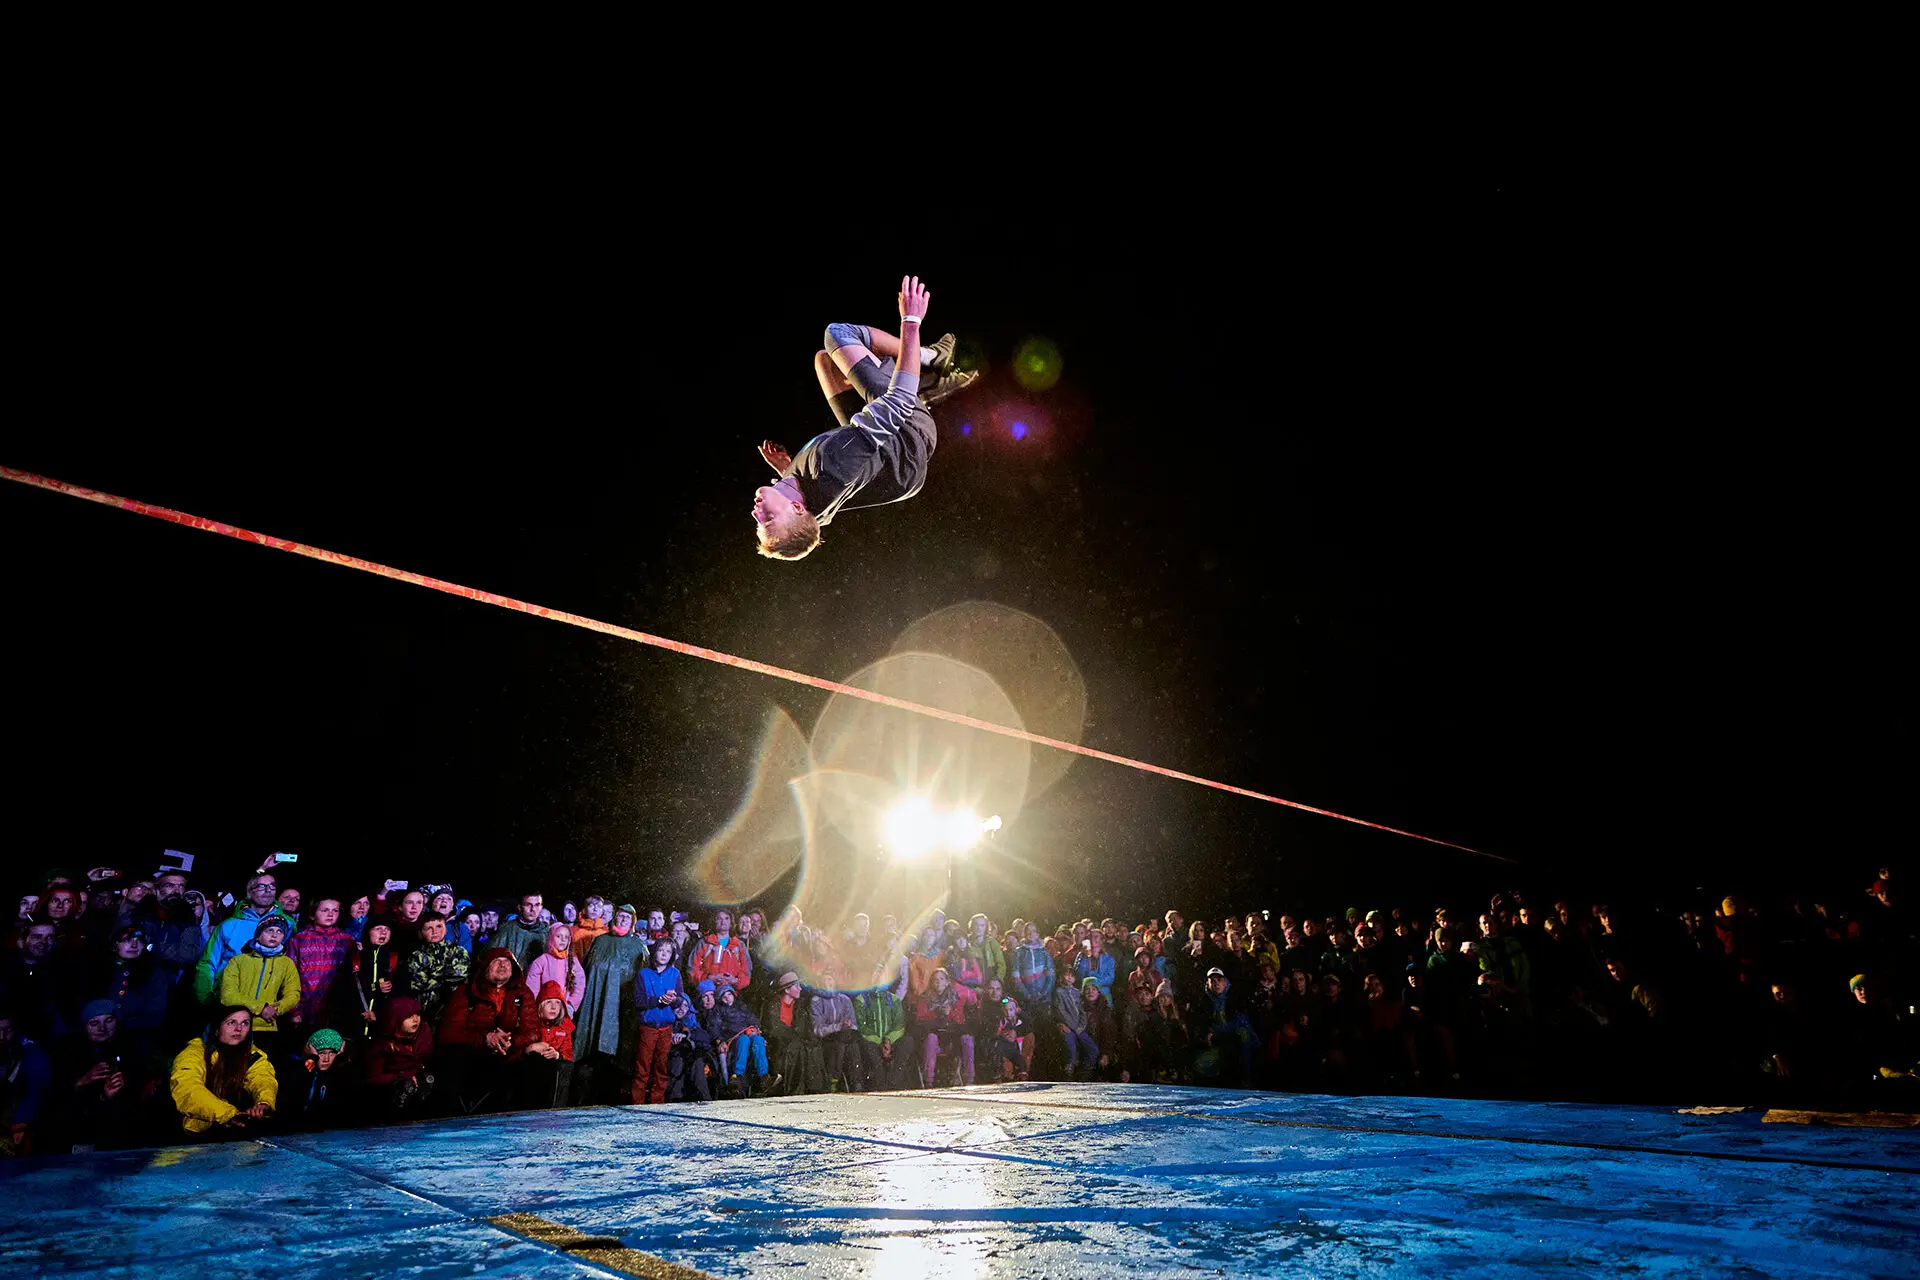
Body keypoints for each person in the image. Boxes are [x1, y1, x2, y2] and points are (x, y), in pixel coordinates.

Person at [751, 276, 975, 561]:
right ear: (796, 508)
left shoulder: (806, 505)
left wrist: (786, 470)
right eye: (767, 519)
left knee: (826, 362)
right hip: (908, 435)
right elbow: (898, 403)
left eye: (758, 523)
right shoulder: (831, 463)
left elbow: (810, 526)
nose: (756, 513)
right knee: (838, 336)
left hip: (892, 467)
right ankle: (931, 359)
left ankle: (925, 387)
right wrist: (911, 320)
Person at [435, 947, 536, 1115]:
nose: (503, 965)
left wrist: (510, 1042)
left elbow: (532, 1030)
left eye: (507, 962)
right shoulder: (465, 993)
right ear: (485, 968)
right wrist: (485, 1038)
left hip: (509, 1053)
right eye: (497, 962)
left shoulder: (523, 994)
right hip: (473, 1055)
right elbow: (449, 1034)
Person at [572, 904, 647, 1105]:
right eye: (620, 916)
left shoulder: (639, 946)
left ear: (632, 922)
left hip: (624, 1009)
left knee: (620, 1055)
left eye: (627, 918)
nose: (622, 920)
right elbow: (588, 971)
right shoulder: (600, 942)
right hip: (597, 1004)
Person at [168, 1006, 276, 1138]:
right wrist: (228, 1114)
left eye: (245, 1023)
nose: (239, 1029)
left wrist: (264, 1103)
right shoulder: (194, 1053)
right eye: (231, 1022)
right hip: (189, 1134)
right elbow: (188, 1089)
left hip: (233, 1128)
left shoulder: (251, 1054)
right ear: (217, 1029)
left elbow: (262, 1077)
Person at [217, 916, 300, 1057]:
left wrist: (275, 1010)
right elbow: (227, 995)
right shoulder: (239, 961)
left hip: (267, 1027)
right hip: (236, 1026)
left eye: (280, 931)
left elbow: (293, 994)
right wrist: (261, 1008)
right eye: (269, 930)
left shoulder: (287, 963)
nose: (275, 935)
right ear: (258, 934)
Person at [193, 872, 280, 1003]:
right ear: (250, 892)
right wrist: (206, 998)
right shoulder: (228, 925)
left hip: (266, 1003)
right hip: (227, 998)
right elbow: (208, 963)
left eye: (272, 886)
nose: (268, 890)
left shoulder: (286, 925)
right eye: (261, 886)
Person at [288, 898, 355, 1034]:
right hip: (306, 1007)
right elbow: (290, 977)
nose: (330, 914)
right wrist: (294, 1010)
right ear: (312, 914)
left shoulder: (347, 940)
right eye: (325, 910)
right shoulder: (299, 940)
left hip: (336, 1009)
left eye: (335, 910)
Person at [631, 938, 684, 1104]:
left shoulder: (675, 974)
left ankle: (657, 1103)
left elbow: (680, 999)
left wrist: (673, 1000)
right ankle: (637, 1103)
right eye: (661, 950)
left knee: (661, 1067)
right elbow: (638, 1001)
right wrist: (658, 1000)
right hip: (648, 1027)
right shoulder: (643, 974)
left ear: (672, 955)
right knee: (643, 1067)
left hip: (666, 1027)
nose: (664, 954)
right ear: (655, 951)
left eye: (668, 952)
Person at [363, 996, 436, 1116]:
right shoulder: (382, 1045)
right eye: (408, 1016)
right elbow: (372, 1079)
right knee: (406, 1086)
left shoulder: (423, 1036)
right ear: (396, 1019)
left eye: (417, 1014)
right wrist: (401, 1076)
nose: (415, 1019)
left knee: (429, 1080)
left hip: (417, 1089)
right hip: (387, 1094)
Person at [913, 966, 976, 1086]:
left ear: (947, 982)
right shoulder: (924, 999)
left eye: (942, 979)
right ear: (931, 982)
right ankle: (928, 1080)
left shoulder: (955, 999)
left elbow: (960, 1024)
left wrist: (949, 1015)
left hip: (952, 1039)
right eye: (935, 979)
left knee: (967, 1039)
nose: (938, 982)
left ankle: (969, 1079)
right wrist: (938, 1015)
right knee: (932, 1038)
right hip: (934, 1039)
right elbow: (921, 1022)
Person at [404, 912, 471, 1024]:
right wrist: (444, 975)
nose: (435, 931)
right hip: (425, 1012)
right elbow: (418, 983)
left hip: (454, 1008)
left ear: (445, 929)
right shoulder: (416, 956)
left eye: (439, 926)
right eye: (429, 928)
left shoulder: (458, 951)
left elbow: (459, 973)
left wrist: (432, 976)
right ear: (421, 932)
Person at [279, 1027, 350, 1130]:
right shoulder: (296, 1071)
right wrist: (312, 1059)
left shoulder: (339, 1076)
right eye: (321, 1053)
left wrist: (340, 1061)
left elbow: (344, 1098)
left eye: (332, 1053)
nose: (326, 1059)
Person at [762, 971, 821, 1095]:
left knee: (813, 1047)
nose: (800, 989)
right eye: (796, 986)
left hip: (795, 1040)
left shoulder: (799, 1006)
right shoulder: (773, 1004)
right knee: (795, 1047)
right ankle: (793, 1089)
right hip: (779, 1042)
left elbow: (804, 1027)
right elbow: (773, 1027)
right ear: (787, 990)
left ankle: (813, 1087)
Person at [853, 968, 910, 1092]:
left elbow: (899, 1025)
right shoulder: (861, 1000)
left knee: (907, 1042)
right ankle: (881, 1084)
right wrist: (880, 1043)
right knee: (867, 1046)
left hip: (890, 1042)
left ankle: (894, 1083)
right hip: (872, 1042)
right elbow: (862, 1026)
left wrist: (888, 1041)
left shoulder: (894, 1000)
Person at [522, 980, 575, 1109]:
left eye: (557, 1002)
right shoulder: (531, 1024)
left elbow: (568, 1055)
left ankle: (556, 1109)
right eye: (549, 1002)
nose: (553, 1007)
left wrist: (557, 1055)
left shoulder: (565, 1027)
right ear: (541, 1005)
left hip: (556, 1070)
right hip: (534, 1071)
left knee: (564, 1067)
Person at [709, 983, 768, 1097]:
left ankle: (763, 1076)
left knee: (758, 1041)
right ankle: (737, 1075)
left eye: (729, 994)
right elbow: (714, 1027)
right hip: (733, 1038)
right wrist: (720, 1040)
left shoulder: (741, 1007)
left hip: (747, 1033)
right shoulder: (719, 1011)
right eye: (724, 996)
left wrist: (755, 1028)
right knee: (744, 1040)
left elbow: (753, 1019)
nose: (727, 998)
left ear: (733, 995)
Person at [669, 982, 718, 1102]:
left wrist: (687, 1035)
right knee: (678, 1060)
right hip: (674, 1055)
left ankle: (705, 1099)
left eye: (685, 1006)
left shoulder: (692, 1021)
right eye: (678, 1005)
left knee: (697, 1061)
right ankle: (675, 1100)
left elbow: (703, 1037)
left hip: (694, 1055)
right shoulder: (668, 1021)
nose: (682, 1009)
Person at [525, 921, 585, 1017]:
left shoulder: (572, 962)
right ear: (551, 937)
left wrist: (571, 1005)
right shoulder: (541, 961)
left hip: (564, 1009)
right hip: (544, 1010)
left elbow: (579, 985)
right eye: (558, 936)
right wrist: (534, 1008)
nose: (562, 940)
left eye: (566, 937)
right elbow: (532, 988)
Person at [352, 920, 402, 1034]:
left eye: (387, 929)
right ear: (368, 932)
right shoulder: (356, 957)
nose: (383, 932)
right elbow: (347, 990)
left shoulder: (394, 958)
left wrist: (378, 1014)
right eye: (378, 928)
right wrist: (376, 987)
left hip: (381, 1029)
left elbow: (400, 995)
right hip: (355, 1025)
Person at [689, 910, 752, 996]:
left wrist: (735, 981)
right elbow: (692, 969)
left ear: (731, 923)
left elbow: (747, 972)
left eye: (726, 918)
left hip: (730, 995)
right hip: (708, 995)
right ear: (714, 922)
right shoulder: (704, 943)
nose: (723, 922)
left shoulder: (739, 945)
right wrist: (708, 978)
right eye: (719, 918)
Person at [491, 894, 549, 973]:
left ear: (541, 907)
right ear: (519, 907)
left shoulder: (547, 932)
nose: (533, 909)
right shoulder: (507, 929)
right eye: (528, 905)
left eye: (537, 905)